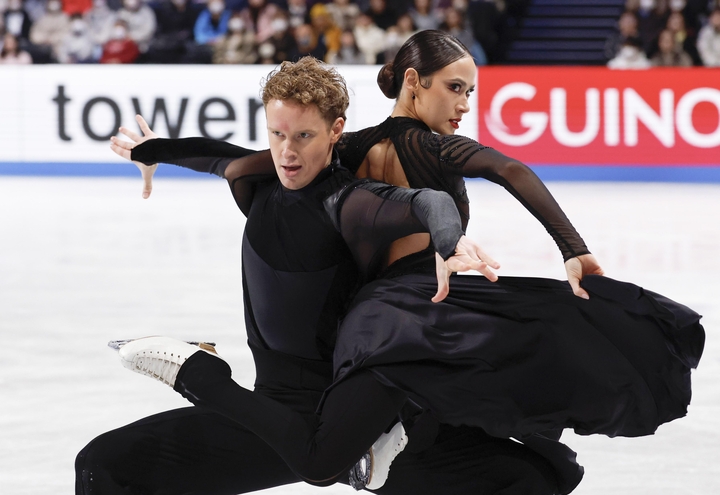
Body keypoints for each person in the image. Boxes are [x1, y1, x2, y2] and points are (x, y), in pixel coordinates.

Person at [125, 30, 705, 494]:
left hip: (369, 317)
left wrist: (155, 150)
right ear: (413, 82)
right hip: (422, 310)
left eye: (469, 91)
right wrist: (572, 248)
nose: (464, 104)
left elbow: (233, 160)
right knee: (570, 345)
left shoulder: (350, 146)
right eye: (454, 88)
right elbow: (508, 170)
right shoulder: (430, 146)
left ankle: (384, 452)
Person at [78, 57, 557, 495]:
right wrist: (152, 150)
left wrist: (449, 242)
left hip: (343, 416)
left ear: (335, 132)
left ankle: (196, 373)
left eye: (304, 136)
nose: (287, 152)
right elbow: (211, 155)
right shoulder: (254, 181)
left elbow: (431, 202)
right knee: (104, 463)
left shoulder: (350, 203)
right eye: (277, 135)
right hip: (271, 414)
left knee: (519, 478)